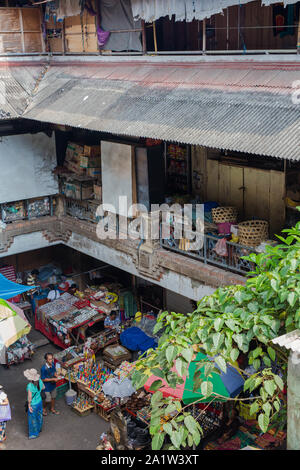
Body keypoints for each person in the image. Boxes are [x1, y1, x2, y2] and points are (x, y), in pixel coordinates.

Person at [24, 369, 44, 439]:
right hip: (40, 402)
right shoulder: (40, 381)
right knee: (39, 415)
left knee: (32, 419)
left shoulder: (30, 385)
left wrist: (29, 405)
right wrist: (38, 392)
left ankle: (34, 434)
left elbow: (30, 397)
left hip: (33, 404)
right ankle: (39, 428)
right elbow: (43, 387)